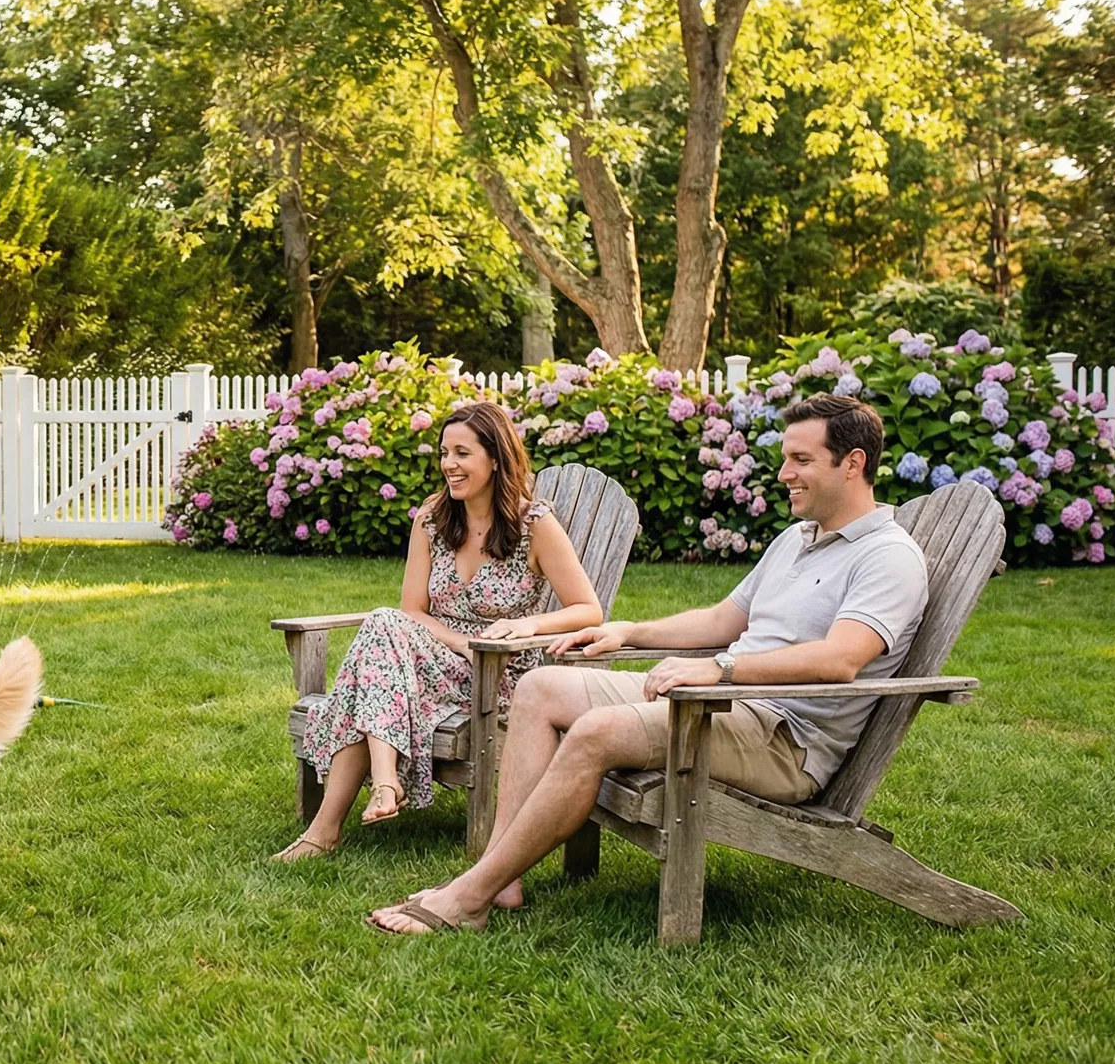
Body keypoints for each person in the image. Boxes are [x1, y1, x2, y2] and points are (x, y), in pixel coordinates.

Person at [366, 393, 929, 933]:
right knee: (540, 688)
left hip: (784, 737)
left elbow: (842, 660)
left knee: (594, 732)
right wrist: (627, 631)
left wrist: (722, 671)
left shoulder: (888, 557)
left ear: (852, 463)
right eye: (786, 458)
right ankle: (502, 877)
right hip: (721, 705)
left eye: (800, 460)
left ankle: (470, 897)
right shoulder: (797, 540)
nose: (784, 473)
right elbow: (720, 621)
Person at [272, 402, 604, 862]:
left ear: (495, 457)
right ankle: (383, 786)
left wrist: (527, 624)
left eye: (462, 453)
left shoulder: (535, 525)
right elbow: (413, 611)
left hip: (498, 673)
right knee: (385, 623)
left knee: (373, 652)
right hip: (433, 657)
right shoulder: (432, 518)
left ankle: (330, 827)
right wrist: (460, 643)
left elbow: (589, 609)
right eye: (445, 452)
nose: (449, 464)